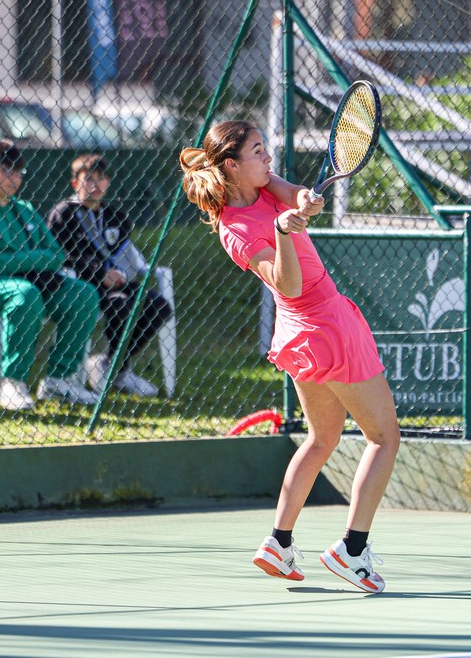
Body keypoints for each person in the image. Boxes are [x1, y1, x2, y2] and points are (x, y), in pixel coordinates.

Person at [179, 121, 401, 594]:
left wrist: (303, 202)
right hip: (321, 326)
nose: (267, 158)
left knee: (321, 439)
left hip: (304, 335)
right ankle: (352, 550)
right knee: (383, 437)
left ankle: (279, 543)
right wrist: (282, 230)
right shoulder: (235, 231)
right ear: (233, 166)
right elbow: (290, 285)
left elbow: (293, 191)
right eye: (258, 151)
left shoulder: (264, 187)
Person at [0, 139, 100, 410]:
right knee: (24, 295)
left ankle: (58, 382)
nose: (15, 178)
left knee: (83, 294)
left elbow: (56, 254)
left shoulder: (22, 208)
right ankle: (12, 383)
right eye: (7, 170)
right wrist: (32, 261)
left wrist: (23, 263)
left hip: (27, 285)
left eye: (19, 171)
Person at [46, 154, 172, 397]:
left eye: (102, 179)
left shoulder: (115, 215)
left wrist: (125, 273)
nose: (96, 185)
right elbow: (57, 256)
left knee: (159, 306)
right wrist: (99, 273)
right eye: (89, 179)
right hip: (81, 286)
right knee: (121, 306)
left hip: (117, 283)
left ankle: (112, 365)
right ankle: (114, 370)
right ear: (75, 183)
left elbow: (126, 252)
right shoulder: (63, 214)